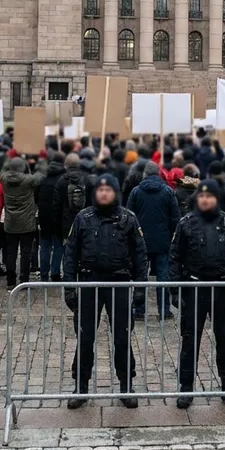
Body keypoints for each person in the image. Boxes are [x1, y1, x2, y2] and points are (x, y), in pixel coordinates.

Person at [63, 174, 149, 409]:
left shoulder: (128, 218)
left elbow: (140, 254)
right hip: (89, 283)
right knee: (85, 337)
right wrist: (69, 288)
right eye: (100, 190)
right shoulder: (83, 218)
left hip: (119, 283)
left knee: (122, 337)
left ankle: (126, 385)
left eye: (108, 190)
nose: (103, 193)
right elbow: (70, 254)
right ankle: (80, 386)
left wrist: (140, 288)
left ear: (115, 192)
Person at [168, 179, 225, 408]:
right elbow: (174, 258)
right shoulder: (186, 223)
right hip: (194, 289)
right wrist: (175, 289)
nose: (205, 199)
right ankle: (186, 388)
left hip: (222, 289)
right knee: (189, 341)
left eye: (210, 196)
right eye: (202, 196)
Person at [127, 162, 180, 319]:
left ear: (144, 174)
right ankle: (164, 311)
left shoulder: (136, 192)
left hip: (140, 240)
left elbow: (129, 216)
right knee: (163, 277)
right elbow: (175, 217)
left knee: (141, 275)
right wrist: (173, 237)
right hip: (163, 241)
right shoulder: (168, 191)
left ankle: (139, 310)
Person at [1, 156, 42, 284]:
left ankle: (10, 280)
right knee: (26, 254)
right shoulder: (28, 180)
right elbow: (40, 175)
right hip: (26, 223)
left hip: (10, 223)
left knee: (11, 253)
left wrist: (10, 157)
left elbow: (2, 169)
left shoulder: (4, 179)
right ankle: (24, 280)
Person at [36, 152, 67, 281]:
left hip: (43, 217)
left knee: (44, 246)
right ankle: (55, 273)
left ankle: (43, 274)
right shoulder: (64, 180)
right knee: (58, 245)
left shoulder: (42, 179)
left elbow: (36, 198)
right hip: (58, 217)